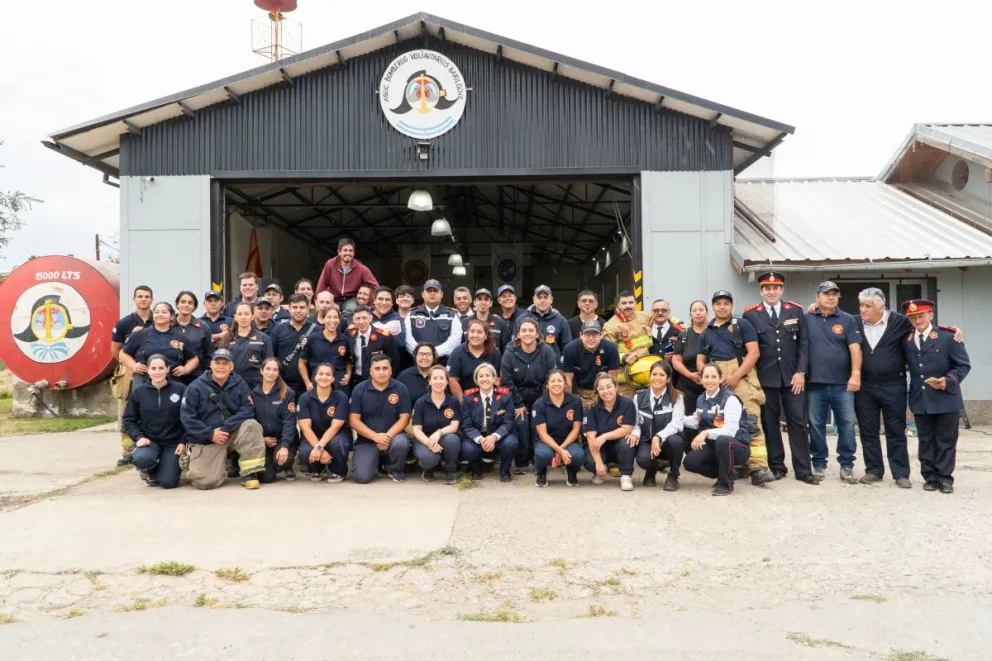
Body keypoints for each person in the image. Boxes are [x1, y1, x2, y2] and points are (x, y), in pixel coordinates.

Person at [855, 289, 963, 488]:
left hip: (893, 385)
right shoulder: (853, 322)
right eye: (861, 305)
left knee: (896, 430)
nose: (862, 309)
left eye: (867, 305)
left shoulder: (900, 322)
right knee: (868, 431)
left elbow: (928, 329)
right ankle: (874, 470)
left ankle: (900, 473)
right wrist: (815, 307)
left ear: (881, 307)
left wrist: (954, 331)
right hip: (866, 387)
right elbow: (831, 319)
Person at [742, 272, 817, 485]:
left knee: (798, 423)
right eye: (767, 288)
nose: (772, 291)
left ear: (782, 290)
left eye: (775, 288)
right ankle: (777, 466)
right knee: (770, 424)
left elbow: (804, 344)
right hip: (766, 379)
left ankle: (804, 470)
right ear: (761, 291)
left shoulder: (794, 310)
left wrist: (801, 372)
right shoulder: (751, 315)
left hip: (793, 378)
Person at [696, 290, 775, 486]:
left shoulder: (743, 325)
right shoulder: (707, 331)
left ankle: (758, 467)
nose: (722, 307)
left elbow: (753, 353)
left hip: (742, 376)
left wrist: (735, 377)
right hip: (716, 379)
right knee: (720, 422)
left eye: (726, 303)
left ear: (731, 306)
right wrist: (708, 377)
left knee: (751, 422)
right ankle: (737, 464)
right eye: (718, 303)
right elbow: (700, 359)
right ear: (712, 306)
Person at [902, 299, 970, 493]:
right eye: (913, 317)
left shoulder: (948, 337)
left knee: (946, 440)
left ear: (931, 315)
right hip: (920, 399)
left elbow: (963, 365)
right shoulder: (906, 340)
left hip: (946, 397)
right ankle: (930, 477)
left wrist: (948, 381)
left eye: (921, 315)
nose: (918, 320)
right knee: (925, 440)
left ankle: (945, 478)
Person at [180, 348, 266, 490]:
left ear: (231, 366)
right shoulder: (195, 387)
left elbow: (248, 409)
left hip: (230, 433)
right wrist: (210, 434)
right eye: (217, 362)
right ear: (211, 365)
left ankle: (250, 473)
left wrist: (226, 428)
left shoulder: (239, 383)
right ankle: (210, 463)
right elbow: (187, 417)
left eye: (225, 363)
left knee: (251, 425)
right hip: (207, 438)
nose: (221, 367)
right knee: (205, 483)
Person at [806, 281, 862, 484]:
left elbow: (855, 348)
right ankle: (819, 464)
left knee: (847, 425)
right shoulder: (807, 318)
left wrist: (855, 373)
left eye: (834, 294)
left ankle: (847, 466)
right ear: (817, 298)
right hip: (814, 383)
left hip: (842, 384)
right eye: (825, 294)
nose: (830, 297)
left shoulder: (848, 320)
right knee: (816, 425)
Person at [683, 363, 753, 496]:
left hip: (737, 446)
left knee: (723, 440)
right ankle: (727, 472)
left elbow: (730, 431)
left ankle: (725, 484)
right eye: (706, 377)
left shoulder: (731, 399)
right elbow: (696, 421)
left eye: (714, 377)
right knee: (690, 462)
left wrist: (705, 433)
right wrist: (677, 419)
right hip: (714, 445)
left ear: (720, 379)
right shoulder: (701, 398)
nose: (710, 380)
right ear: (701, 379)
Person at [500, 317, 559, 473]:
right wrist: (518, 404)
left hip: (540, 396)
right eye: (524, 330)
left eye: (531, 330)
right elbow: (506, 379)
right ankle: (521, 462)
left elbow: (551, 377)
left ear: (537, 333)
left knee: (536, 425)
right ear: (518, 334)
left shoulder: (546, 351)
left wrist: (541, 403)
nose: (527, 333)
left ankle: (538, 459)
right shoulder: (510, 352)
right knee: (521, 425)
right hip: (516, 397)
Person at [123, 354, 186, 489]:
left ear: (167, 369)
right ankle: (147, 468)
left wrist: (183, 441)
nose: (157, 372)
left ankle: (161, 470)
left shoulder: (180, 389)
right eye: (154, 368)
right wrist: (138, 437)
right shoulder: (138, 393)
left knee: (168, 482)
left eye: (161, 368)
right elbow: (128, 420)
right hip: (149, 441)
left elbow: (188, 418)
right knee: (143, 459)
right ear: (148, 370)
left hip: (173, 443)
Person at [348, 354, 412, 484]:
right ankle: (376, 462)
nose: (381, 372)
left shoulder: (401, 388)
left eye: (385, 368)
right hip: (367, 439)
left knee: (401, 443)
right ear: (370, 371)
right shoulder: (359, 389)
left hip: (393, 437)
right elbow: (353, 420)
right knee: (361, 477)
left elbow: (405, 418)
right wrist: (375, 437)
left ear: (391, 370)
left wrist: (386, 437)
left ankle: (394, 469)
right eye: (377, 368)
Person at [110, 285, 153, 466]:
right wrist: (131, 365)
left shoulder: (159, 319)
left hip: (155, 370)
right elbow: (115, 350)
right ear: (134, 299)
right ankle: (127, 452)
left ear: (152, 299)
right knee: (127, 410)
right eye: (140, 296)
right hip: (131, 370)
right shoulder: (124, 323)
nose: (143, 299)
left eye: (147, 296)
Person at [630, 360, 687, 491]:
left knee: (676, 442)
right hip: (647, 439)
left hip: (667, 440)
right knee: (643, 459)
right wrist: (635, 433)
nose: (657, 378)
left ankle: (673, 476)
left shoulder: (677, 397)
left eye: (662, 375)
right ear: (649, 377)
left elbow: (677, 424)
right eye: (654, 374)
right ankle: (651, 471)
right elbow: (636, 422)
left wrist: (659, 437)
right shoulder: (639, 397)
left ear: (668, 379)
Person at [460, 363, 519, 482]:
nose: (484, 379)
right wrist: (481, 439)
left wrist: (494, 436)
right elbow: (466, 424)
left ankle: (505, 471)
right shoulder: (468, 398)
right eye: (481, 376)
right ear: (476, 380)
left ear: (494, 378)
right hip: (478, 435)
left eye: (488, 375)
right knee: (468, 448)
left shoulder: (505, 396)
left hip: (498, 434)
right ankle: (476, 470)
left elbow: (508, 422)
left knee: (511, 443)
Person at [119, 302, 199, 389]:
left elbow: (193, 359)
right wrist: (133, 366)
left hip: (172, 385)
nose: (160, 314)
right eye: (157, 312)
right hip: (143, 383)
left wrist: (186, 369)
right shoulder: (140, 334)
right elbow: (123, 354)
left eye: (164, 312)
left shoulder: (180, 337)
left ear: (171, 316)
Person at [297, 363, 352, 483]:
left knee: (337, 444)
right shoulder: (304, 398)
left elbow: (335, 427)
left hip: (336, 435)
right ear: (315, 377)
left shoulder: (341, 397)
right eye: (320, 374)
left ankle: (338, 470)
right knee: (306, 451)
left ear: (333, 378)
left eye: (328, 374)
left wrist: (319, 447)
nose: (324, 377)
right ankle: (316, 469)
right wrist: (319, 448)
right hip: (314, 434)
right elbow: (306, 428)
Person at [582, 373, 637, 491]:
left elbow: (626, 429)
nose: (606, 391)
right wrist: (598, 463)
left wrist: (605, 436)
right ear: (597, 390)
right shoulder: (590, 408)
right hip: (599, 446)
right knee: (590, 462)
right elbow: (591, 437)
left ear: (616, 387)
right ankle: (600, 470)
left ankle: (626, 476)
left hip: (619, 445)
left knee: (627, 441)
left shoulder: (627, 404)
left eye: (609, 386)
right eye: (601, 388)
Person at [532, 368, 585, 487]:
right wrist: (560, 451)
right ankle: (541, 472)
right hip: (546, 442)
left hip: (568, 441)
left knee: (578, 456)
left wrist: (562, 448)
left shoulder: (575, 401)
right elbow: (542, 434)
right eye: (553, 381)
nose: (556, 384)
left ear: (565, 385)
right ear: (547, 385)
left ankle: (572, 471)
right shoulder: (539, 404)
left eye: (560, 381)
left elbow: (576, 429)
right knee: (542, 455)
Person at [411, 365, 462, 484]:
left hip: (444, 438)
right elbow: (417, 429)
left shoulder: (453, 401)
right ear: (429, 381)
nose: (438, 382)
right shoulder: (421, 402)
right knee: (429, 459)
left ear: (446, 381)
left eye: (441, 378)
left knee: (453, 440)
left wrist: (439, 433)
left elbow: (454, 426)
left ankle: (450, 470)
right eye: (435, 378)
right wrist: (429, 442)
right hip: (424, 439)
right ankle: (428, 469)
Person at [252, 357, 298, 483]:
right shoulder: (253, 394)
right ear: (262, 371)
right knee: (266, 478)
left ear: (278, 373)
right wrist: (261, 439)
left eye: (275, 370)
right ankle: (273, 463)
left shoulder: (286, 393)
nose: (271, 372)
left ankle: (286, 466)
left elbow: (290, 422)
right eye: (268, 369)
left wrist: (284, 446)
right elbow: (251, 421)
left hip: (282, 439)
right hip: (264, 440)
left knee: (284, 460)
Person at [602, 291, 653, 399]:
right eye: (624, 303)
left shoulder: (646, 316)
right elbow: (607, 351)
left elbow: (663, 318)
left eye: (631, 302)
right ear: (618, 305)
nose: (628, 306)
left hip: (649, 375)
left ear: (636, 303)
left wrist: (676, 323)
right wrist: (624, 357)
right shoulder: (610, 326)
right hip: (627, 379)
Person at [315, 238, 380, 320]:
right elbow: (322, 284)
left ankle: (346, 331)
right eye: (345, 250)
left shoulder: (361, 268)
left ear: (354, 253)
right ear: (339, 252)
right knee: (329, 311)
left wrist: (371, 305)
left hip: (351, 299)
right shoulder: (330, 264)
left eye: (350, 251)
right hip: (334, 298)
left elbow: (375, 287)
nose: (348, 253)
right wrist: (318, 302)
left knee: (351, 310)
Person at [561, 319, 621, 408]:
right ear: (581, 335)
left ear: (601, 335)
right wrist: (568, 403)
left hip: (604, 391)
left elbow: (613, 379)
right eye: (587, 334)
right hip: (582, 393)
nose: (591, 338)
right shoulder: (570, 349)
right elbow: (568, 381)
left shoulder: (611, 348)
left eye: (595, 334)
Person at [269, 294, 319, 399]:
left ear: (308, 308)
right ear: (289, 309)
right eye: (295, 307)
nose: (298, 310)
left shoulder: (317, 330)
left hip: (310, 385)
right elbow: (272, 357)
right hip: (283, 385)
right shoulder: (278, 330)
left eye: (302, 307)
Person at [404, 279, 462, 363]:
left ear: (441, 294)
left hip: (443, 364)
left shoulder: (452, 315)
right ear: (423, 294)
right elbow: (407, 339)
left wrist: (435, 353)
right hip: (418, 364)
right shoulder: (411, 315)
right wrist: (422, 354)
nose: (432, 293)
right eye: (429, 291)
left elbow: (455, 339)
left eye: (435, 290)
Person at [219, 302, 273, 389]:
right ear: (235, 317)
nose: (243, 317)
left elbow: (269, 365)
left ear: (252, 316)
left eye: (246, 314)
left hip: (256, 387)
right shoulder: (227, 339)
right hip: (231, 385)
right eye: (240, 314)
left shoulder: (263, 338)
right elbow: (220, 363)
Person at [447, 319, 502, 402]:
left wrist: (488, 400)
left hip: (488, 399)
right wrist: (463, 402)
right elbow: (452, 379)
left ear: (486, 336)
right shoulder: (457, 352)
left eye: (479, 332)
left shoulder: (495, 353)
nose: (475, 335)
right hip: (464, 399)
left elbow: (497, 379)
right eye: (472, 331)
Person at [299, 307, 351, 391]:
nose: (332, 320)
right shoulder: (312, 339)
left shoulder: (345, 340)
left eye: (335, 317)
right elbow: (301, 363)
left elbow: (348, 361)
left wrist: (349, 373)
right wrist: (307, 382)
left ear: (339, 320)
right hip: (318, 384)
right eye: (329, 317)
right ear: (323, 319)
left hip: (339, 386)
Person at [671, 300, 708, 416]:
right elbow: (676, 360)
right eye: (694, 310)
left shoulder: (715, 332)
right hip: (687, 385)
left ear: (707, 312)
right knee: (687, 422)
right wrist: (690, 375)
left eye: (701, 310)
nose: (698, 313)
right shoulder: (684, 334)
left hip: (711, 384)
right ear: (690, 314)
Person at [350, 305, 399, 384]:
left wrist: (388, 382)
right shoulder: (349, 333)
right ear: (353, 319)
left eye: (364, 318)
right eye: (357, 318)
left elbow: (394, 362)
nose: (361, 321)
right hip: (354, 380)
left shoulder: (384, 337)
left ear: (371, 318)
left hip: (377, 381)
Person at [174, 291, 213, 385]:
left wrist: (206, 376)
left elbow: (209, 355)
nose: (186, 305)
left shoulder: (203, 327)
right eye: (183, 302)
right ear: (177, 304)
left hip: (197, 377)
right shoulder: (167, 324)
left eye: (190, 303)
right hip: (171, 376)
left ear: (194, 307)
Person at [526, 285, 572, 359]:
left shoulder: (561, 321)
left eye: (546, 297)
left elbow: (567, 349)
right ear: (534, 299)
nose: (542, 300)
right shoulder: (523, 319)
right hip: (528, 367)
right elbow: (516, 345)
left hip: (553, 368)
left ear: (551, 299)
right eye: (539, 297)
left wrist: (560, 367)